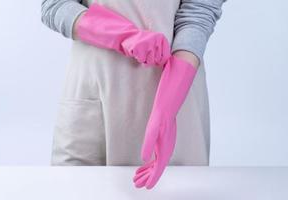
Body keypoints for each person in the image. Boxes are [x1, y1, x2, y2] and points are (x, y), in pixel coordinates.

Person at [41, 0, 225, 189]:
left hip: (177, 93)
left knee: (172, 189)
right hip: (94, 91)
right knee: (74, 189)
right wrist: (122, 35)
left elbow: (199, 12)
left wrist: (167, 106)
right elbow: (55, 5)